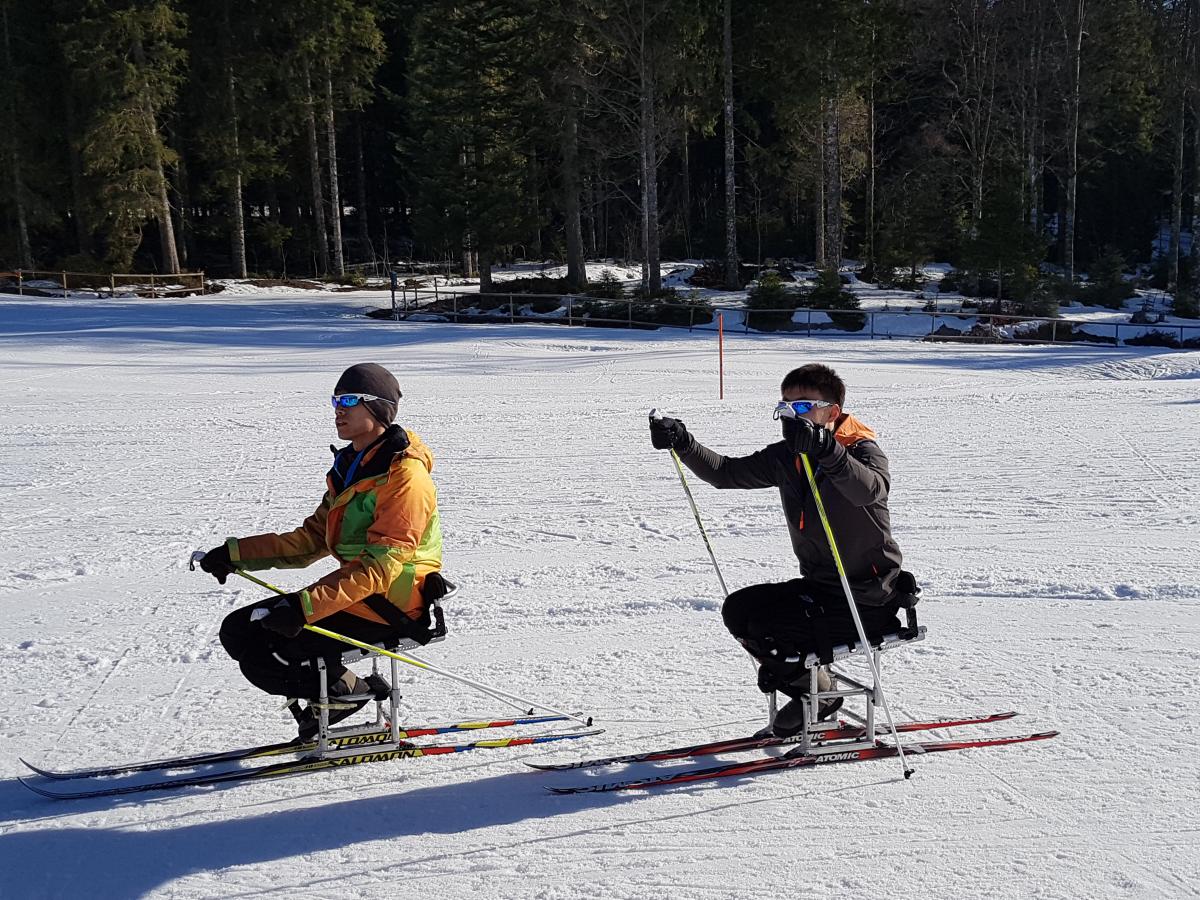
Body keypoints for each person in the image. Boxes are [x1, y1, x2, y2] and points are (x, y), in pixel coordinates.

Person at [649, 362, 915, 737]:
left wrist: (827, 451)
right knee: (741, 610)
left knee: (772, 632)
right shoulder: (789, 456)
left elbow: (868, 490)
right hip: (821, 587)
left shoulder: (862, 450)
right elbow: (726, 473)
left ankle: (816, 698)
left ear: (831, 413)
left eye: (803, 407)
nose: (792, 416)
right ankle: (817, 691)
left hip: (868, 598)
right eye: (786, 408)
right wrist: (684, 442)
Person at [198, 363, 443, 739]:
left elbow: (381, 567)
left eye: (348, 400)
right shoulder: (352, 468)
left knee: (266, 652)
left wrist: (303, 607)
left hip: (393, 601)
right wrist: (235, 554)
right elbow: (309, 541)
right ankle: (343, 688)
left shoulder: (405, 478)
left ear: (378, 408)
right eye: (335, 400)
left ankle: (346, 693)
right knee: (237, 632)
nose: (338, 410)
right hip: (361, 594)